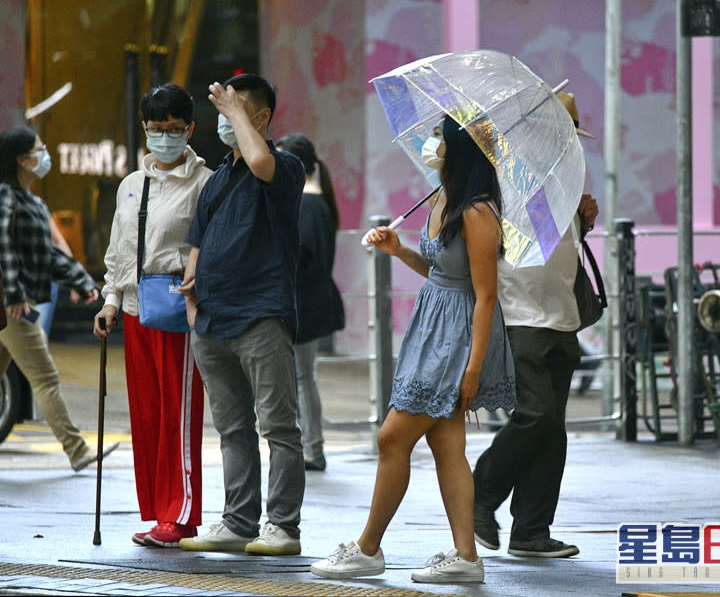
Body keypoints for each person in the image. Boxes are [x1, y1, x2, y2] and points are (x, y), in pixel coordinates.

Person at [310, 114, 516, 584]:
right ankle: (466, 558)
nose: (432, 143)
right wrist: (400, 250)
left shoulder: (478, 212)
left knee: (391, 437)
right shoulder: (444, 198)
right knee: (446, 445)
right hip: (433, 327)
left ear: (459, 148)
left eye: (440, 137)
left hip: (456, 338)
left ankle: (367, 548)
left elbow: (484, 294)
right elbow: (442, 272)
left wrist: (472, 368)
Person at [177, 73, 306, 556]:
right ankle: (238, 521)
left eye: (235, 111)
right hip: (211, 320)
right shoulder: (218, 178)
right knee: (232, 428)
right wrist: (192, 298)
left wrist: (235, 114)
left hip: (261, 315)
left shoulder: (284, 167)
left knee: (278, 426)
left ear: (262, 117)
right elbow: (198, 238)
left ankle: (283, 526)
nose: (224, 121)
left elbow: (259, 159)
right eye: (221, 113)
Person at [471, 91, 599, 559]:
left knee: (552, 429)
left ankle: (531, 530)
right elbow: (512, 244)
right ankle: (478, 496)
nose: (568, 143)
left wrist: (583, 223)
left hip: (560, 314)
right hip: (521, 314)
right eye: (561, 133)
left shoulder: (563, 178)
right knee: (536, 415)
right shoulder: (504, 177)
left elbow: (552, 245)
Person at [93, 83, 212, 547]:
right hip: (135, 307)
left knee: (178, 415)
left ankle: (180, 514)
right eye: (156, 128)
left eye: (174, 128)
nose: (164, 136)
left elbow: (212, 248)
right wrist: (109, 300)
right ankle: (159, 511)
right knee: (146, 414)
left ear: (190, 129)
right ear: (144, 129)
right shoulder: (130, 185)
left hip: (178, 307)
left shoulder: (205, 184)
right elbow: (118, 249)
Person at [0, 124, 118, 472]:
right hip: (14, 308)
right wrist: (14, 292)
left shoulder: (32, 201)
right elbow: (2, 245)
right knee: (46, 380)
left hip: (19, 304)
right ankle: (77, 449)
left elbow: (48, 254)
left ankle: (76, 449)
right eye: (39, 150)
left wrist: (81, 281)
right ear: (22, 160)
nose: (44, 155)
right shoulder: (6, 196)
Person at [275, 133, 345, 472]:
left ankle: (312, 448)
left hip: (302, 303)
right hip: (308, 301)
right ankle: (310, 446)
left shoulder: (307, 204)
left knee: (302, 378)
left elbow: (303, 258)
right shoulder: (317, 202)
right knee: (303, 377)